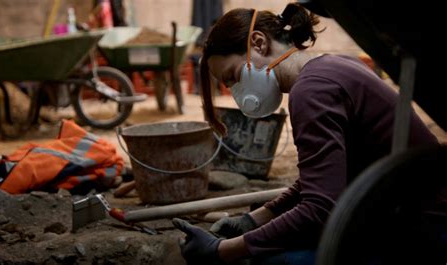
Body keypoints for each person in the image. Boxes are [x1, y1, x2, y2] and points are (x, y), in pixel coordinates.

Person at [172, 2, 439, 265]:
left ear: (258, 43)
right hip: (416, 213)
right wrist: (255, 219)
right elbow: (325, 178)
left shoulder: (312, 91)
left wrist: (221, 250)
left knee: (269, 260)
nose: (237, 92)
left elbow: (320, 209)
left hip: (424, 233)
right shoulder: (331, 66)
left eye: (233, 75)